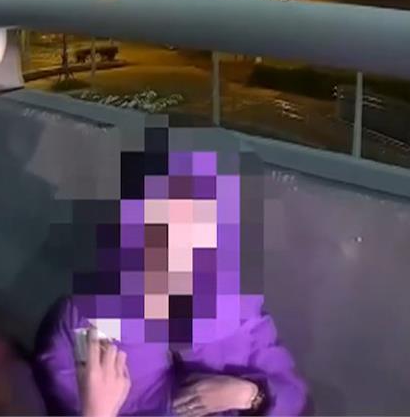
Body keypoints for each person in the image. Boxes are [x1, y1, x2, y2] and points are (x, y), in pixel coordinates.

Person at [34, 142, 307, 416]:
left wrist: (250, 396)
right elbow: (60, 400)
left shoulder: (235, 307)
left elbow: (295, 401)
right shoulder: (86, 323)